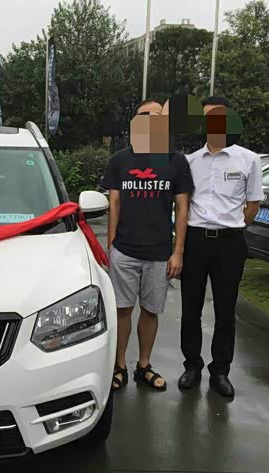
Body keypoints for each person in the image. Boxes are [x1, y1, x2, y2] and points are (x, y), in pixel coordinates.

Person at [102, 99, 194, 392]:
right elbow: (114, 204)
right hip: (125, 251)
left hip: (159, 253)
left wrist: (178, 251)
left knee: (150, 311)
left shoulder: (176, 161)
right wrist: (112, 246)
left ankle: (144, 366)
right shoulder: (120, 160)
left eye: (157, 116)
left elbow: (182, 208)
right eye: (145, 115)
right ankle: (119, 366)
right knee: (122, 310)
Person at [178, 96, 265, 397]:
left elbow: (253, 204)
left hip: (230, 243)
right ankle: (192, 365)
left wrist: (233, 226)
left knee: (226, 310)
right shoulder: (190, 162)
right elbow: (182, 205)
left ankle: (220, 371)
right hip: (195, 241)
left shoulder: (248, 160)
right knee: (191, 307)